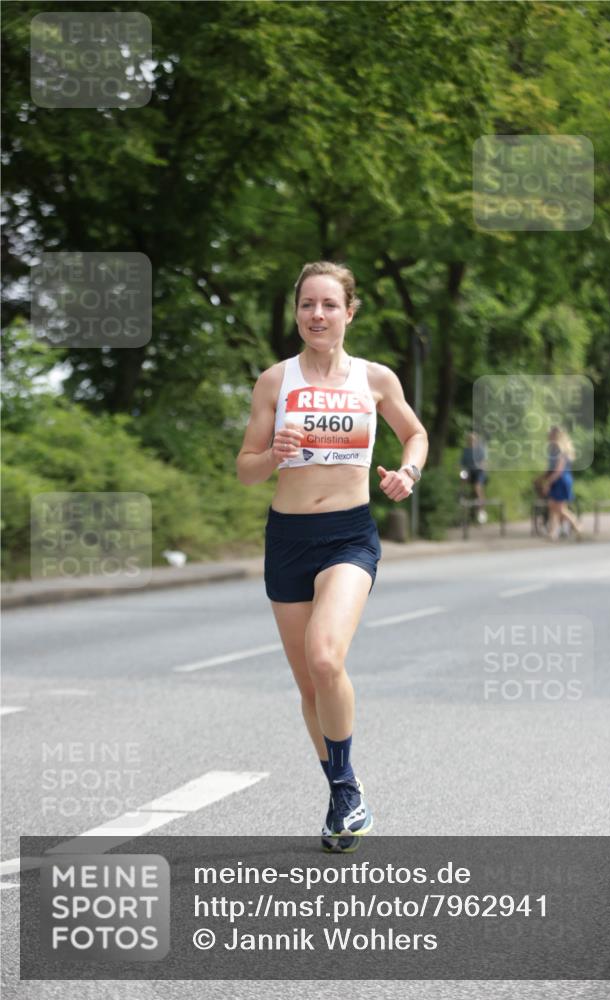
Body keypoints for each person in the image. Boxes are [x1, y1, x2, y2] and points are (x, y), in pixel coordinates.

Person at [236, 261, 428, 852]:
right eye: (306, 305)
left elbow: (415, 434)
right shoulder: (275, 381)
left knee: (324, 657)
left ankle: (345, 790)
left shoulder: (375, 379)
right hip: (287, 539)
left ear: (349, 312)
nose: (316, 315)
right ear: (297, 312)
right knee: (308, 686)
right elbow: (246, 470)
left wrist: (408, 473)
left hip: (348, 536)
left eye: (328, 305)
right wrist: (274, 454)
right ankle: (343, 792)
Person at [541, 426, 582, 541]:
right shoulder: (554, 449)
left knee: (558, 508)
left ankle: (576, 525)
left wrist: (548, 483)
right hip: (559, 479)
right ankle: (553, 532)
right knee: (553, 506)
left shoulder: (560, 450)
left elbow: (558, 470)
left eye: (550, 434)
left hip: (561, 480)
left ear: (555, 436)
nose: (548, 436)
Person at [460, 432, 488, 523]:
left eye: (473, 440)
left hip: (479, 472)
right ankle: (462, 494)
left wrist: (480, 465)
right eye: (470, 440)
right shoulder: (466, 451)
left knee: (477, 487)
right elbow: (462, 463)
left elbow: (484, 462)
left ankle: (481, 509)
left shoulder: (480, 450)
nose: (471, 442)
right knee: (463, 475)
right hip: (469, 472)